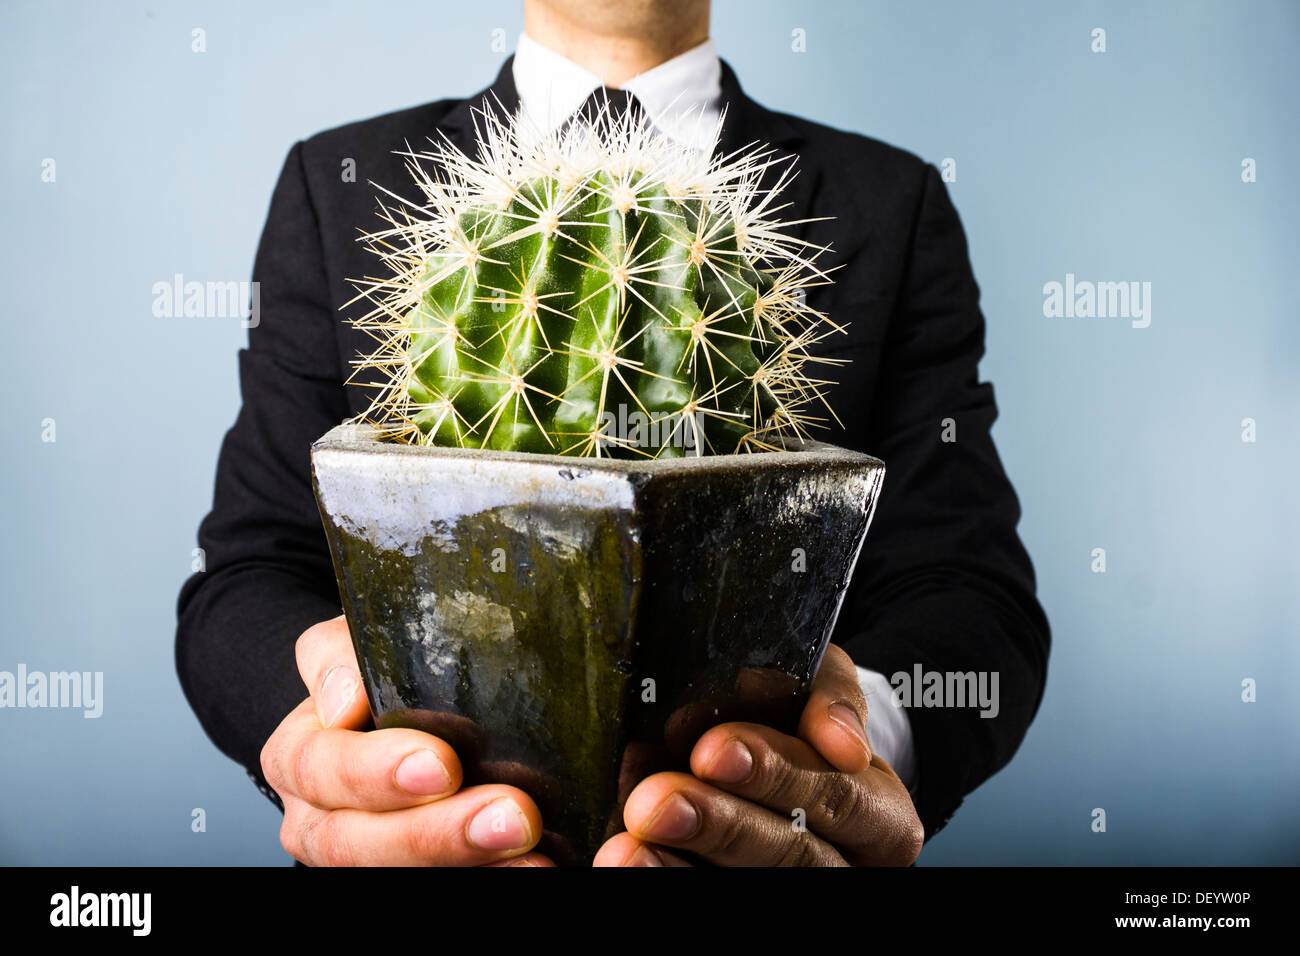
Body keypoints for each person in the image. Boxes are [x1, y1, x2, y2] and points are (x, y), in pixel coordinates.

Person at [176, 0, 1050, 866]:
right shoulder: (341, 180)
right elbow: (250, 572)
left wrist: (841, 760)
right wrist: (330, 743)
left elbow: (971, 593)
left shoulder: (893, 203)